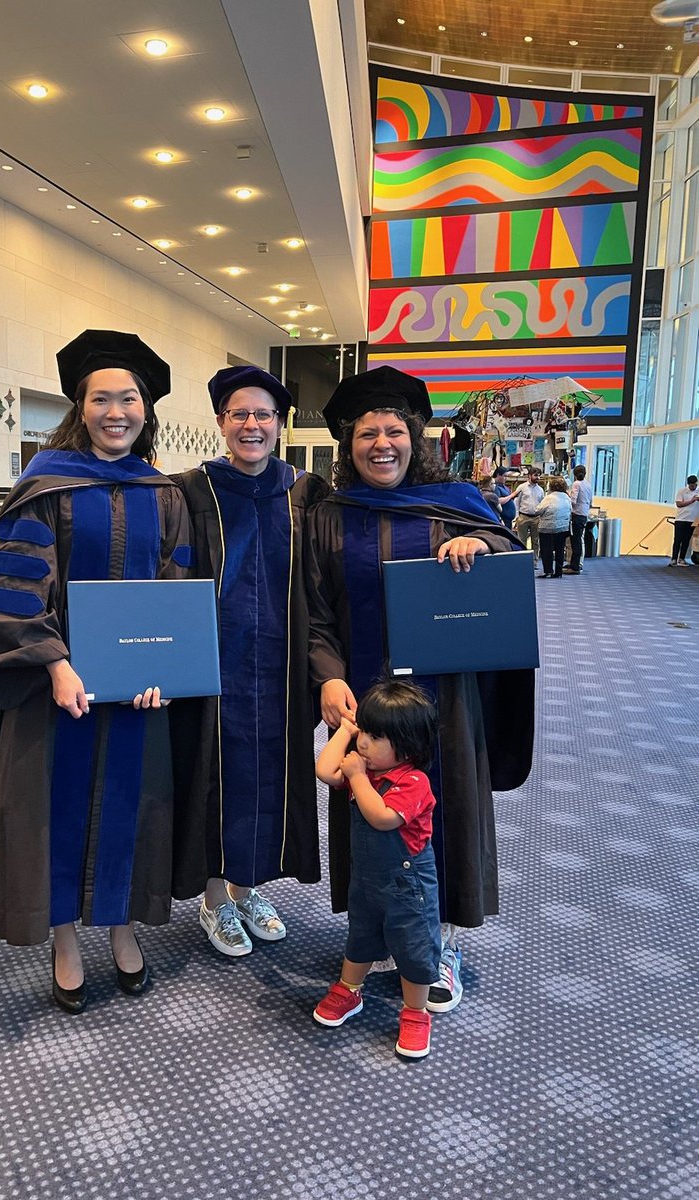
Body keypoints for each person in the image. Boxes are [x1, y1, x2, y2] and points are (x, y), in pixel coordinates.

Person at [0, 330, 195, 1014]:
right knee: (56, 807)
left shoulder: (164, 494)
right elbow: (12, 589)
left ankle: (120, 926)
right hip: (53, 686)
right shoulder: (46, 488)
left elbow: (173, 586)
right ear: (81, 406)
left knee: (130, 800)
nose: (116, 410)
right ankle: (64, 939)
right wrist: (57, 662)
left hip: (133, 689)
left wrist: (160, 667)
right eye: (102, 398)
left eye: (129, 398)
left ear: (146, 409)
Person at [305, 365, 534, 1017]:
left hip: (444, 705)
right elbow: (316, 613)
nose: (383, 442)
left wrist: (479, 544)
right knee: (367, 811)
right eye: (368, 433)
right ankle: (376, 935)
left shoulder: (458, 504)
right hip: (363, 706)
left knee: (447, 811)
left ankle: (444, 945)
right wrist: (329, 674)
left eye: (395, 430)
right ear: (349, 447)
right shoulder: (330, 517)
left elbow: (505, 557)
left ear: (417, 437)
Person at [171, 366, 329, 956]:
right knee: (216, 772)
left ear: (280, 424)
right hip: (215, 663)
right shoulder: (190, 489)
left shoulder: (304, 491)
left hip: (283, 666)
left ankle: (248, 886)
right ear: (220, 422)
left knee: (270, 774)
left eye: (263, 414)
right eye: (239, 414)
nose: (252, 425)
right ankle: (214, 901)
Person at [313, 681, 442, 1061]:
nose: (364, 744)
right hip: (368, 880)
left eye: (375, 736)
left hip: (407, 886)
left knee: (413, 946)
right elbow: (324, 770)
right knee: (362, 935)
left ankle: (415, 1013)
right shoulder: (366, 769)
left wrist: (356, 777)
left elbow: (383, 818)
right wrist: (347, 732)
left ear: (407, 746)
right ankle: (349, 988)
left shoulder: (413, 782)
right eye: (365, 732)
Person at [536, 476, 572, 579]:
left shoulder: (549, 497)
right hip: (562, 528)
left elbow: (538, 510)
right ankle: (559, 572)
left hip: (547, 527)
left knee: (547, 550)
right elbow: (570, 510)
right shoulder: (567, 498)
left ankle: (548, 571)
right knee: (560, 550)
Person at [510, 467, 545, 564]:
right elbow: (516, 503)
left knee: (536, 541)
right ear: (529, 476)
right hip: (523, 516)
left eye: (539, 475)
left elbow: (542, 504)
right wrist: (516, 517)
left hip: (536, 518)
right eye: (536, 475)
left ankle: (535, 562)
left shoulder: (541, 490)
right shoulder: (522, 487)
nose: (538, 477)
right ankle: (523, 561)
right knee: (521, 540)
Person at [565, 465, 593, 574]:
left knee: (575, 541)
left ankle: (575, 567)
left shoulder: (576, 484)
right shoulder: (588, 484)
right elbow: (591, 502)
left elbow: (573, 501)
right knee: (580, 540)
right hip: (584, 515)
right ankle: (576, 563)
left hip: (576, 515)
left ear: (574, 474)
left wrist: (567, 495)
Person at [670, 474, 699, 566]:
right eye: (691, 486)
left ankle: (681, 559)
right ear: (688, 484)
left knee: (686, 540)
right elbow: (679, 504)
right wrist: (692, 500)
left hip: (692, 520)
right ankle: (674, 559)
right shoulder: (682, 491)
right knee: (678, 539)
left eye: (695, 485)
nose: (693, 487)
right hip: (681, 519)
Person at [492, 466, 516, 531]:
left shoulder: (503, 486)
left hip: (508, 520)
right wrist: (511, 496)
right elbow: (498, 501)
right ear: (498, 475)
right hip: (502, 520)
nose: (506, 478)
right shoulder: (494, 486)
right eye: (504, 476)